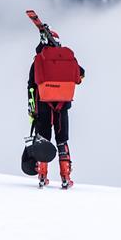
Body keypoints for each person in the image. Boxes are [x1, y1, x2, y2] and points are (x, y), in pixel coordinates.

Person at [27, 23, 85, 189]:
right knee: (62, 140)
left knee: (43, 139)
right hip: (62, 106)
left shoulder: (38, 61)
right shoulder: (67, 60)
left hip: (42, 105)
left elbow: (31, 86)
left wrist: (31, 107)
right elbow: (80, 75)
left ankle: (42, 175)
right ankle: (65, 176)